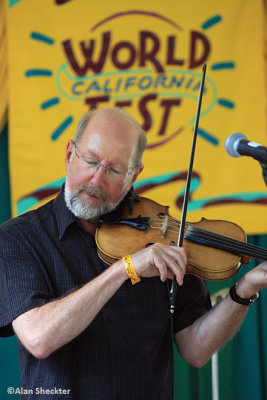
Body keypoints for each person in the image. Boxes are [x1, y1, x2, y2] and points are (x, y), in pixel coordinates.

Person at [0, 107, 266, 400]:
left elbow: (196, 349)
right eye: (90, 161)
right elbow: (38, 338)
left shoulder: (165, 237)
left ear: (134, 175)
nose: (97, 180)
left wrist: (244, 291)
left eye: (114, 170)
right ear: (68, 155)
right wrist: (125, 269)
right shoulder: (19, 238)